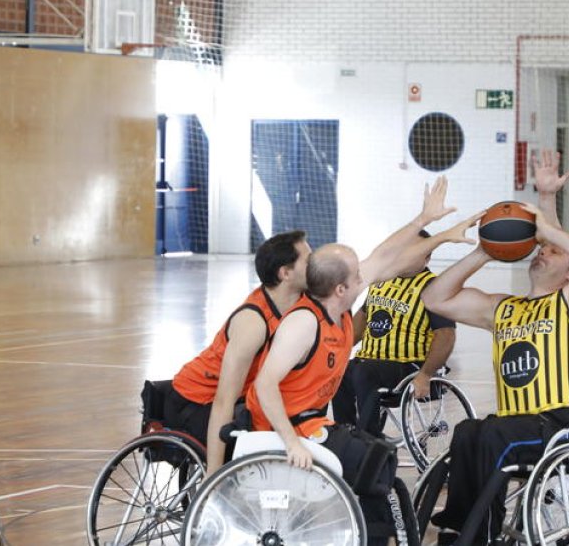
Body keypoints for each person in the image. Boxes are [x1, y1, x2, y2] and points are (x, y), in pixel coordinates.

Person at [247, 177, 479, 546]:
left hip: (311, 423)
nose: (366, 275)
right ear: (342, 288)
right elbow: (264, 385)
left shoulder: (334, 303)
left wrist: (429, 226)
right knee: (380, 465)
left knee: (381, 465)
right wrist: (291, 442)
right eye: (357, 274)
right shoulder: (304, 323)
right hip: (289, 429)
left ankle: (371, 533)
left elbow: (386, 256)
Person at [420, 151, 569, 542]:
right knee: (468, 431)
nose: (542, 250)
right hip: (518, 424)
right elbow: (435, 299)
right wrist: (483, 250)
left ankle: (481, 534)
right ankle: (459, 526)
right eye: (540, 247)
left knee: (493, 435)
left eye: (553, 250)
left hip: (568, 423)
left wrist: (545, 219)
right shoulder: (503, 309)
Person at [169, 230, 310, 473]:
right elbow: (223, 401)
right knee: (254, 441)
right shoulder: (253, 324)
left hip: (239, 398)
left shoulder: (299, 304)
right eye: (308, 260)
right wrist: (213, 476)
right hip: (196, 400)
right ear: (285, 273)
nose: (315, 264)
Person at [332, 229, 456, 435]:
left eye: (414, 251)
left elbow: (446, 335)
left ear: (427, 257)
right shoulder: (382, 280)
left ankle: (368, 439)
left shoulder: (434, 287)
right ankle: (345, 434)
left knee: (365, 372)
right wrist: (336, 351)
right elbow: (361, 320)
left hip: (410, 366)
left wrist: (426, 374)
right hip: (370, 363)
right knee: (338, 370)